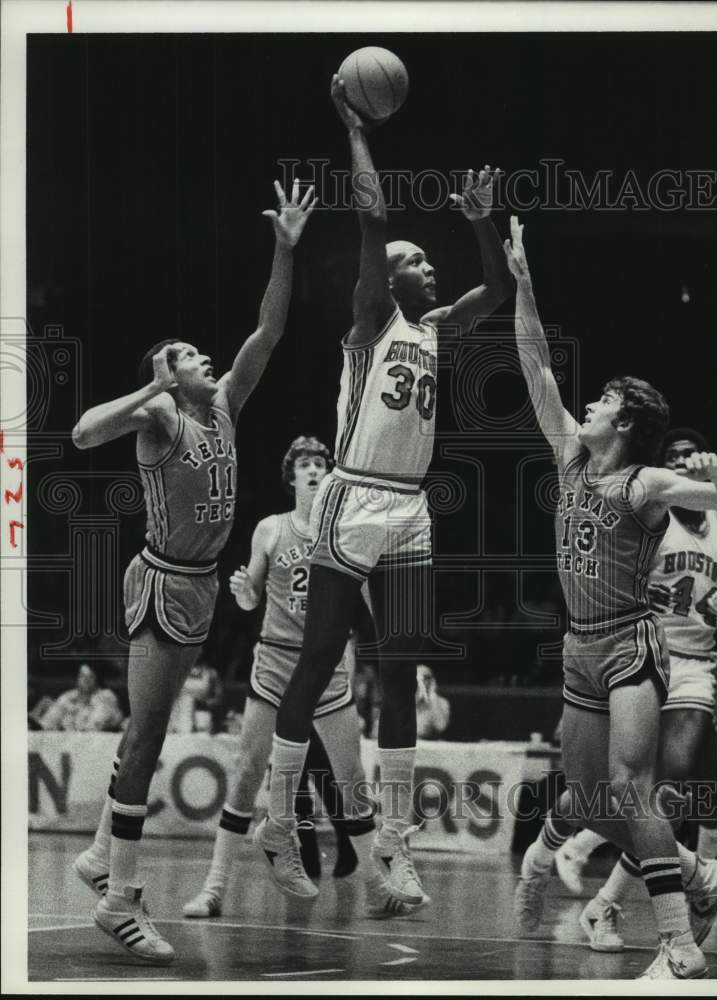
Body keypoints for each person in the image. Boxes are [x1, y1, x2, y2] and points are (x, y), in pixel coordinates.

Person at [256, 74, 511, 907]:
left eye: (430, 260)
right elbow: (371, 220)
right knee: (323, 654)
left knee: (401, 669)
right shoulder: (370, 322)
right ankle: (278, 815)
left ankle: (397, 843)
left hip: (408, 508)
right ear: (387, 279)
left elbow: (499, 294)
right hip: (353, 497)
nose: (427, 267)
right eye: (417, 260)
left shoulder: (435, 330)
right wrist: (354, 130)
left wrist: (478, 227)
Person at [69, 178, 315, 965]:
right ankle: (120, 898)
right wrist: (153, 381)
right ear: (170, 373)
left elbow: (267, 332)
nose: (205, 357)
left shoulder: (226, 407)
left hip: (202, 584)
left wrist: (283, 248)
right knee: (145, 736)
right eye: (188, 355)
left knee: (155, 727)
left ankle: (103, 854)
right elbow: (79, 433)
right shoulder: (163, 414)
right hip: (163, 579)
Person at [504, 216, 717, 979]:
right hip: (579, 645)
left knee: (629, 785)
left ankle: (675, 933)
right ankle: (697, 871)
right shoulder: (571, 456)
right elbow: (534, 364)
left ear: (627, 420)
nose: (592, 402)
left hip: (631, 643)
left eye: (605, 398)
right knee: (587, 799)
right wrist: (523, 285)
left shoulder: (644, 481)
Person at [182, 436, 412, 919]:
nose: (312, 469)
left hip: (328, 664)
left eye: (320, 463)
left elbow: (372, 598)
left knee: (350, 778)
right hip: (276, 662)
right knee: (247, 772)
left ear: (331, 474)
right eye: (304, 464)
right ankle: (214, 887)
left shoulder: (351, 531)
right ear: (291, 476)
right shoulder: (270, 529)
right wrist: (244, 591)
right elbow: (251, 600)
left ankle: (375, 885)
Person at [554, 428, 717, 948]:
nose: (684, 462)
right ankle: (600, 868)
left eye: (691, 454)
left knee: (686, 789)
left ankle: (609, 895)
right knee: (649, 789)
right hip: (641, 655)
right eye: (674, 457)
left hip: (696, 665)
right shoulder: (652, 514)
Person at [39, 662, 124, 732]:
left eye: (90, 676)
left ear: (97, 679)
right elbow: (47, 722)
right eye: (82, 676)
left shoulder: (106, 697)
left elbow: (94, 726)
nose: (85, 680)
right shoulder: (69, 696)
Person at [415, 664, 451, 739]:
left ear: (432, 681)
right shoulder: (404, 702)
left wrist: (432, 696)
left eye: (425, 678)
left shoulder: (442, 702)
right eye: (417, 677)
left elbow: (441, 727)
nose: (420, 681)